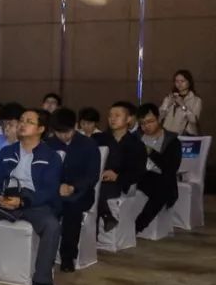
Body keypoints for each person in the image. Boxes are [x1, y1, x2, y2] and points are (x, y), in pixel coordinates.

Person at [0, 108, 64, 285]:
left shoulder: (51, 156)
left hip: (33, 203)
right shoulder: (7, 151)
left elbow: (49, 189)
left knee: (52, 226)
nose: (22, 124)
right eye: (21, 120)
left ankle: (42, 280)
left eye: (29, 121)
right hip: (5, 199)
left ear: (41, 129)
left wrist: (23, 201)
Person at [47, 108, 100, 272]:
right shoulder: (48, 145)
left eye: (67, 132)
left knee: (72, 210)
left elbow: (92, 175)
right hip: (55, 190)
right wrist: (57, 186)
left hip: (81, 192)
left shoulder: (88, 145)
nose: (64, 136)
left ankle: (67, 256)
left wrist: (73, 187)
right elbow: (43, 172)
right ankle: (46, 255)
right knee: (45, 209)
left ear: (75, 126)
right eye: (59, 133)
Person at [94, 101, 147, 232]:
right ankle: (105, 217)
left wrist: (117, 176)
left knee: (99, 190)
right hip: (96, 178)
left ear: (128, 119)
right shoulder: (98, 138)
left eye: (117, 115)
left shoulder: (136, 144)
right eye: (110, 115)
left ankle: (99, 225)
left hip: (119, 183)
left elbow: (139, 172)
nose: (112, 118)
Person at [135, 102, 183, 233]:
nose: (146, 126)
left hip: (161, 177)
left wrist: (150, 152)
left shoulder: (171, 141)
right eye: (142, 123)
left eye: (150, 122)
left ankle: (137, 227)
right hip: (138, 175)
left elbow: (171, 168)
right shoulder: (136, 137)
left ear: (158, 118)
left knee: (162, 190)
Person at [159, 70, 201, 135]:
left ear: (189, 82)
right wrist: (168, 105)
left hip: (184, 135)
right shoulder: (169, 97)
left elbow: (194, 120)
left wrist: (183, 105)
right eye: (177, 81)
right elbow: (160, 117)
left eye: (182, 81)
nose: (179, 84)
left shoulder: (196, 100)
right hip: (167, 134)